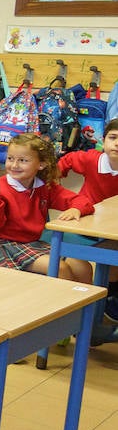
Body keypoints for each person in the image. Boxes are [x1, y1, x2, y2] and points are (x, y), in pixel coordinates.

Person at [0, 132, 92, 280]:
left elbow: (83, 201)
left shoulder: (44, 187)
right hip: (0, 241)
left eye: (23, 160)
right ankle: (57, 303)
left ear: (41, 164)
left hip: (30, 242)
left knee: (82, 266)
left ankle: (88, 304)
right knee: (59, 268)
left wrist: (76, 208)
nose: (14, 165)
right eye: (10, 158)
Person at [58, 118, 118, 318]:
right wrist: (54, 177)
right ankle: (89, 310)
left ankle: (109, 299)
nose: (117, 143)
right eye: (113, 137)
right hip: (86, 221)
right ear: (104, 140)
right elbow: (69, 159)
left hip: (112, 230)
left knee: (112, 266)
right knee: (80, 263)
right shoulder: (93, 160)